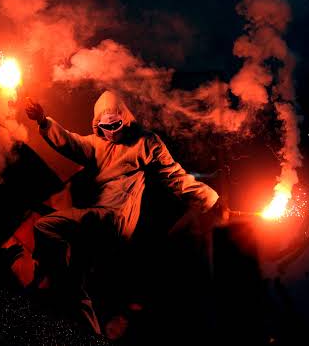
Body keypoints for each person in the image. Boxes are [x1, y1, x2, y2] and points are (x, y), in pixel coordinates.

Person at [25, 90, 222, 339]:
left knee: (45, 227)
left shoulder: (146, 143)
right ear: (97, 124)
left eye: (116, 125)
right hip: (96, 220)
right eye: (106, 127)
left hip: (117, 218)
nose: (112, 131)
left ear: (125, 119)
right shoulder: (94, 145)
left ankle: (52, 278)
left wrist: (210, 199)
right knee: (76, 284)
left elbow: (175, 176)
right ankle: (87, 327)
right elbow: (67, 140)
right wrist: (43, 121)